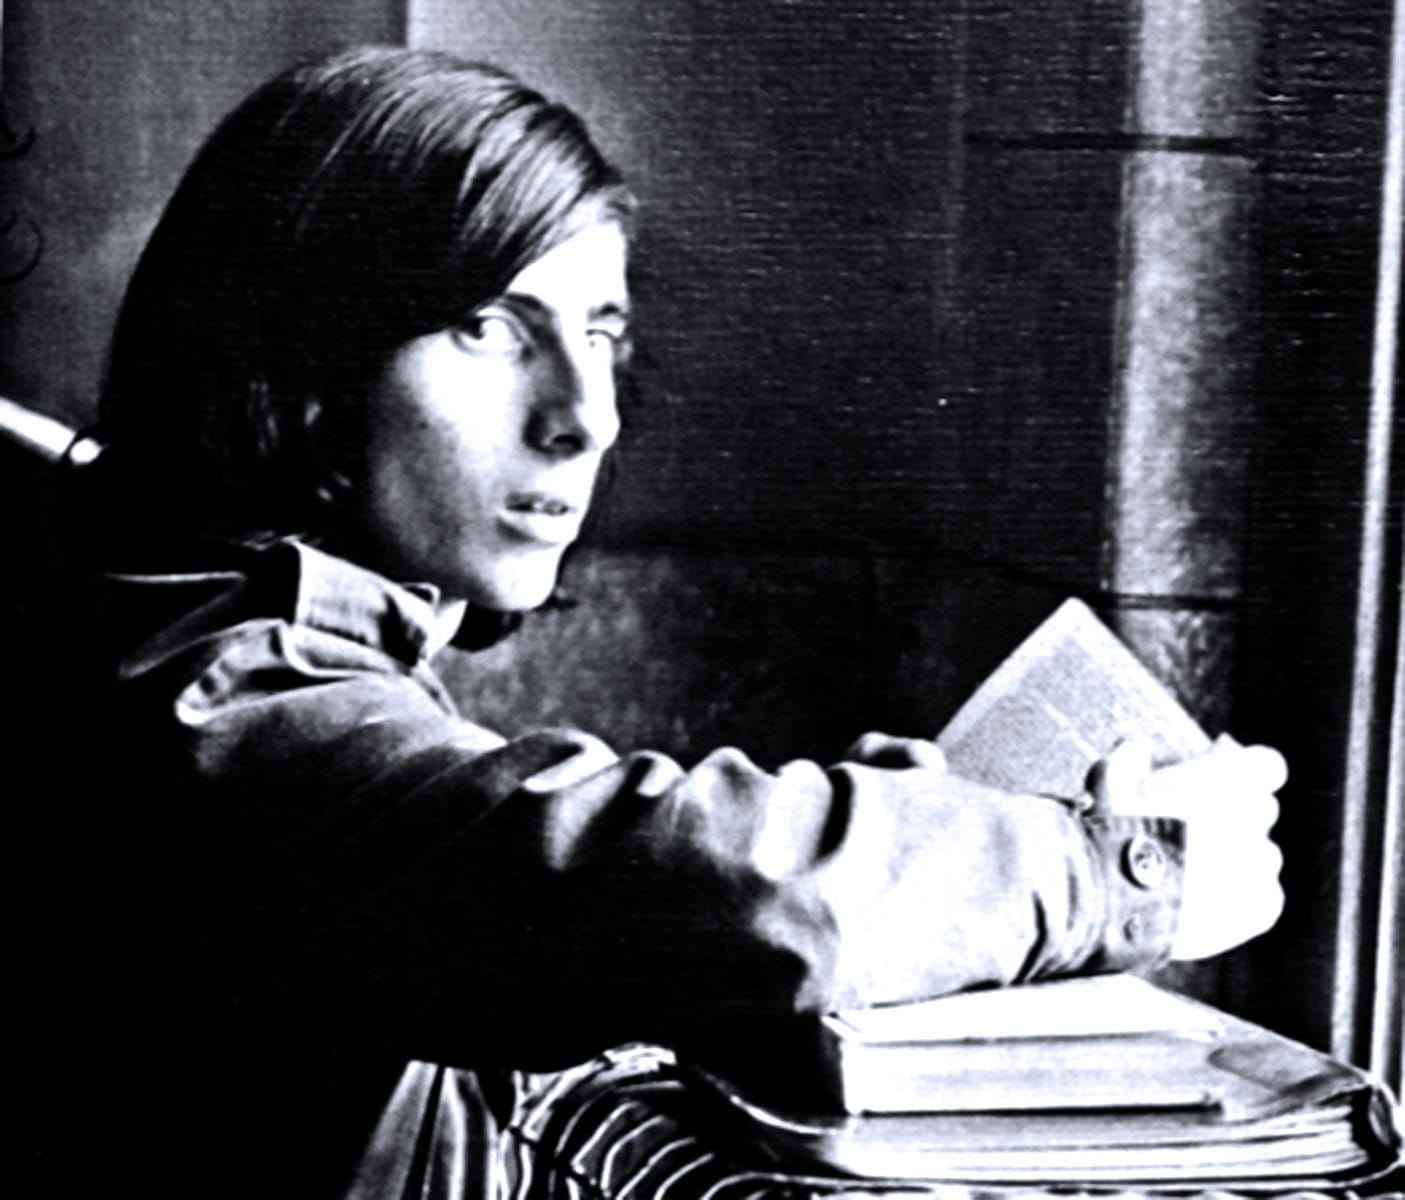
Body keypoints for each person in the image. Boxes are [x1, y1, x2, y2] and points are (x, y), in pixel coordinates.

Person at [50, 45, 1285, 1200]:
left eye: (602, 334)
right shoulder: (202, 682)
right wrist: (1107, 871)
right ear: (298, 364)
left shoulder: (218, 612)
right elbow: (581, 874)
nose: (586, 418)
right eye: (490, 328)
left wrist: (935, 831)